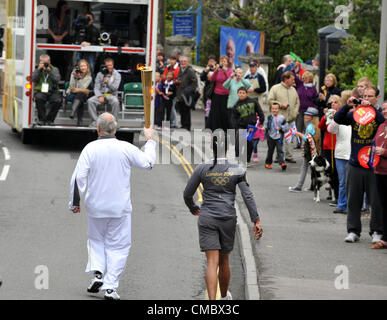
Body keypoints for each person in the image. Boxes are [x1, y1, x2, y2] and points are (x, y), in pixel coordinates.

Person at [68, 113, 156, 300]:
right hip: (119, 208)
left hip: (95, 207)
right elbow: (148, 164)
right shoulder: (125, 147)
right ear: (115, 129)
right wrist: (150, 141)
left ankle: (97, 274)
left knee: (95, 240)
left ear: (98, 129)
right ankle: (110, 288)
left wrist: (74, 202)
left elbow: (78, 177)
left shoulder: (90, 148)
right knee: (119, 246)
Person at [183, 134, 263, 300]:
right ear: (228, 148)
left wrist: (192, 208)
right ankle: (224, 297)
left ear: (212, 148)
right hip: (227, 218)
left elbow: (187, 193)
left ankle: (212, 302)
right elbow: (247, 196)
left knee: (212, 262)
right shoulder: (236, 169)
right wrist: (256, 220)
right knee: (224, 260)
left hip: (207, 218)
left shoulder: (202, 168)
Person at [334, 86, 385, 243]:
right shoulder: (356, 114)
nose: (367, 99)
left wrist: (372, 109)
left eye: (370, 96)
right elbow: (338, 119)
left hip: (373, 164)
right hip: (355, 162)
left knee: (376, 201)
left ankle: (376, 231)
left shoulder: (379, 115)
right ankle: (353, 231)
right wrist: (347, 105)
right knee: (353, 199)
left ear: (377, 98)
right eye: (364, 96)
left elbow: (382, 122)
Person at [268, 71, 300, 163]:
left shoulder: (293, 89)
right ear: (286, 79)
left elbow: (297, 102)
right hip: (278, 119)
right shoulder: (275, 88)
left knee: (290, 138)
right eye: (292, 79)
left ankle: (289, 156)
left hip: (291, 119)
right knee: (278, 139)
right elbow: (270, 100)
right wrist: (280, 105)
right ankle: (278, 156)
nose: (294, 81)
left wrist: (295, 112)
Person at [327, 99, 352, 214]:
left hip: (352, 154)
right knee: (342, 182)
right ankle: (341, 205)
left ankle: (351, 206)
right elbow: (330, 129)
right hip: (340, 154)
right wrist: (336, 117)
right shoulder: (340, 120)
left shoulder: (356, 120)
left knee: (350, 182)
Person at [289, 107, 319, 192]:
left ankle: (299, 186)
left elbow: (307, 138)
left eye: (308, 115)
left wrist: (299, 134)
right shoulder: (314, 126)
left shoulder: (310, 126)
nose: (306, 116)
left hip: (309, 149)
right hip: (313, 149)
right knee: (312, 168)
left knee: (305, 167)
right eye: (306, 114)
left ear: (313, 117)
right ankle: (313, 186)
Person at [232, 87, 264, 165]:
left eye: (243, 93)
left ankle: (247, 159)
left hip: (251, 127)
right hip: (241, 126)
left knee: (249, 144)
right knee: (238, 143)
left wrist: (261, 122)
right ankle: (238, 158)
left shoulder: (253, 102)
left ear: (246, 93)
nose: (241, 94)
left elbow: (260, 111)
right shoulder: (236, 105)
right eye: (240, 93)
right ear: (237, 94)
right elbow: (234, 118)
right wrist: (235, 128)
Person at [318, 95, 340, 205]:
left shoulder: (340, 114)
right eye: (331, 103)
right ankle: (332, 192)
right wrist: (325, 116)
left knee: (335, 172)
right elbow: (321, 126)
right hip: (327, 146)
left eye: (335, 102)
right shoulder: (329, 114)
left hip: (336, 146)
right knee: (329, 170)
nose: (333, 104)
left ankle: (337, 196)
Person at [371, 102, 387, 249]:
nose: (385, 111)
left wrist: (384, 152)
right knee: (383, 205)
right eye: (383, 109)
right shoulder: (382, 126)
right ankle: (384, 238)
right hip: (379, 170)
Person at [87, 58, 121, 127]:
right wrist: (99, 96)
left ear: (113, 65)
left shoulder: (117, 75)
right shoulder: (99, 74)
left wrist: (107, 82)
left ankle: (114, 122)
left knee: (116, 102)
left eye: (110, 65)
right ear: (104, 66)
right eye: (107, 65)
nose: (109, 67)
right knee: (90, 101)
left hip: (111, 95)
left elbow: (115, 88)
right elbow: (96, 87)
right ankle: (96, 122)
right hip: (101, 95)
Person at [32, 54, 62, 125]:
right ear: (40, 62)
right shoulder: (37, 69)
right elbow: (33, 79)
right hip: (41, 91)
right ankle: (42, 120)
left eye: (46, 62)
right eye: (43, 62)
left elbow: (57, 80)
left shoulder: (54, 69)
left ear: (49, 62)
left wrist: (50, 71)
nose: (45, 64)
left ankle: (50, 120)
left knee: (58, 101)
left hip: (53, 90)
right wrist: (38, 70)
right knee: (39, 98)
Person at [208, 56, 233, 132]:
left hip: (226, 95)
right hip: (216, 94)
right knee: (216, 113)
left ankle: (225, 129)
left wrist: (225, 72)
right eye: (221, 61)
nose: (223, 62)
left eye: (224, 61)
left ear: (227, 63)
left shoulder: (229, 71)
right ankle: (215, 128)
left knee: (224, 113)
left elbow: (230, 80)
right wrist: (216, 71)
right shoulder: (218, 70)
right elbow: (212, 79)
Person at [295, 71, 318, 149]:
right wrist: (295, 69)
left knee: (307, 127)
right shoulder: (300, 85)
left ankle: (307, 142)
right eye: (303, 78)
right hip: (300, 109)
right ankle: (298, 143)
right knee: (299, 126)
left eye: (306, 78)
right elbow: (294, 77)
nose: (304, 79)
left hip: (309, 111)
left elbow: (315, 100)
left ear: (310, 79)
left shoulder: (313, 88)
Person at [48, 1, 71, 79]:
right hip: (52, 39)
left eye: (66, 7)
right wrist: (54, 36)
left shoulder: (67, 17)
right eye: (64, 7)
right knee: (52, 59)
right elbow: (48, 27)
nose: (65, 9)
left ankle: (62, 78)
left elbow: (67, 29)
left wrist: (61, 37)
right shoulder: (52, 16)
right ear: (60, 7)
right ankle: (51, 77)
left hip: (63, 40)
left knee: (62, 60)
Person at [66, 59, 92, 126]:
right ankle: (79, 120)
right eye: (81, 66)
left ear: (87, 67)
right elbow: (71, 87)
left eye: (85, 66)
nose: (83, 68)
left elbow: (83, 87)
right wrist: (75, 78)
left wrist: (80, 79)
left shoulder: (89, 77)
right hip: (71, 95)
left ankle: (73, 111)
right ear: (79, 67)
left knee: (80, 95)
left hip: (80, 95)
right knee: (81, 98)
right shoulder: (73, 74)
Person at [264, 102, 289, 171]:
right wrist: (264, 128)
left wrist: (280, 128)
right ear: (271, 109)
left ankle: (282, 163)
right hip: (270, 136)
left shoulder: (282, 118)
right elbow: (265, 125)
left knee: (280, 150)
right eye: (273, 109)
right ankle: (268, 163)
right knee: (270, 150)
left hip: (279, 137)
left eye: (276, 109)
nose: (274, 110)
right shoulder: (269, 117)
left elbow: (286, 127)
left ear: (279, 109)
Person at [175, 56, 198, 131]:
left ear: (188, 62)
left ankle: (187, 126)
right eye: (182, 61)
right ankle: (183, 124)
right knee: (181, 109)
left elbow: (194, 82)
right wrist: (177, 81)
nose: (183, 63)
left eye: (185, 61)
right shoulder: (180, 69)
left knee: (186, 110)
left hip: (187, 94)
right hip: (180, 93)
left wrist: (188, 90)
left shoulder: (190, 70)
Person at [162, 55, 180, 128]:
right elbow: (164, 76)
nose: (171, 61)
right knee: (168, 109)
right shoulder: (168, 67)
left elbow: (175, 77)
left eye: (173, 60)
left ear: (176, 60)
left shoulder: (177, 68)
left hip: (174, 90)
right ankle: (171, 123)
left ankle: (175, 123)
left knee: (172, 108)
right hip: (167, 90)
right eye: (170, 60)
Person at [200, 55, 217, 129]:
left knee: (214, 111)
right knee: (207, 110)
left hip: (215, 92)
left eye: (212, 61)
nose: (211, 63)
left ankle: (213, 126)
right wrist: (206, 71)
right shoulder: (206, 69)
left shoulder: (217, 69)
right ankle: (207, 126)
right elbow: (202, 78)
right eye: (210, 61)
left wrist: (215, 69)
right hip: (207, 92)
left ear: (215, 62)